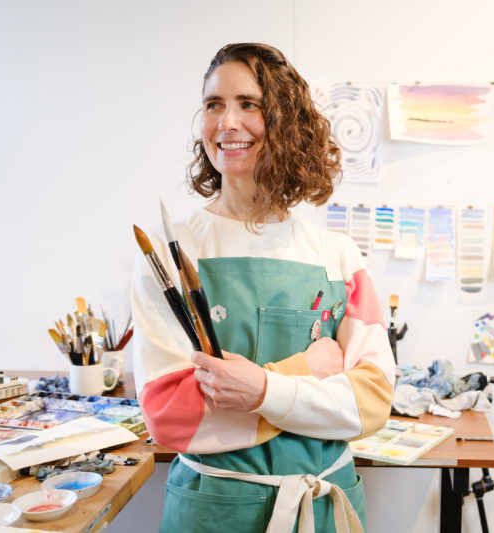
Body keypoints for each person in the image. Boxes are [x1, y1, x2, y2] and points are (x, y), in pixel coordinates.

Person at [131, 43, 395, 533]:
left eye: (248, 104)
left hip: (322, 508)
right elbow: (170, 416)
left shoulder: (337, 256)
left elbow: (372, 402)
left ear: (286, 121)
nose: (226, 122)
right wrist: (305, 373)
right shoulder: (172, 255)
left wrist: (260, 390)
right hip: (212, 510)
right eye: (214, 105)